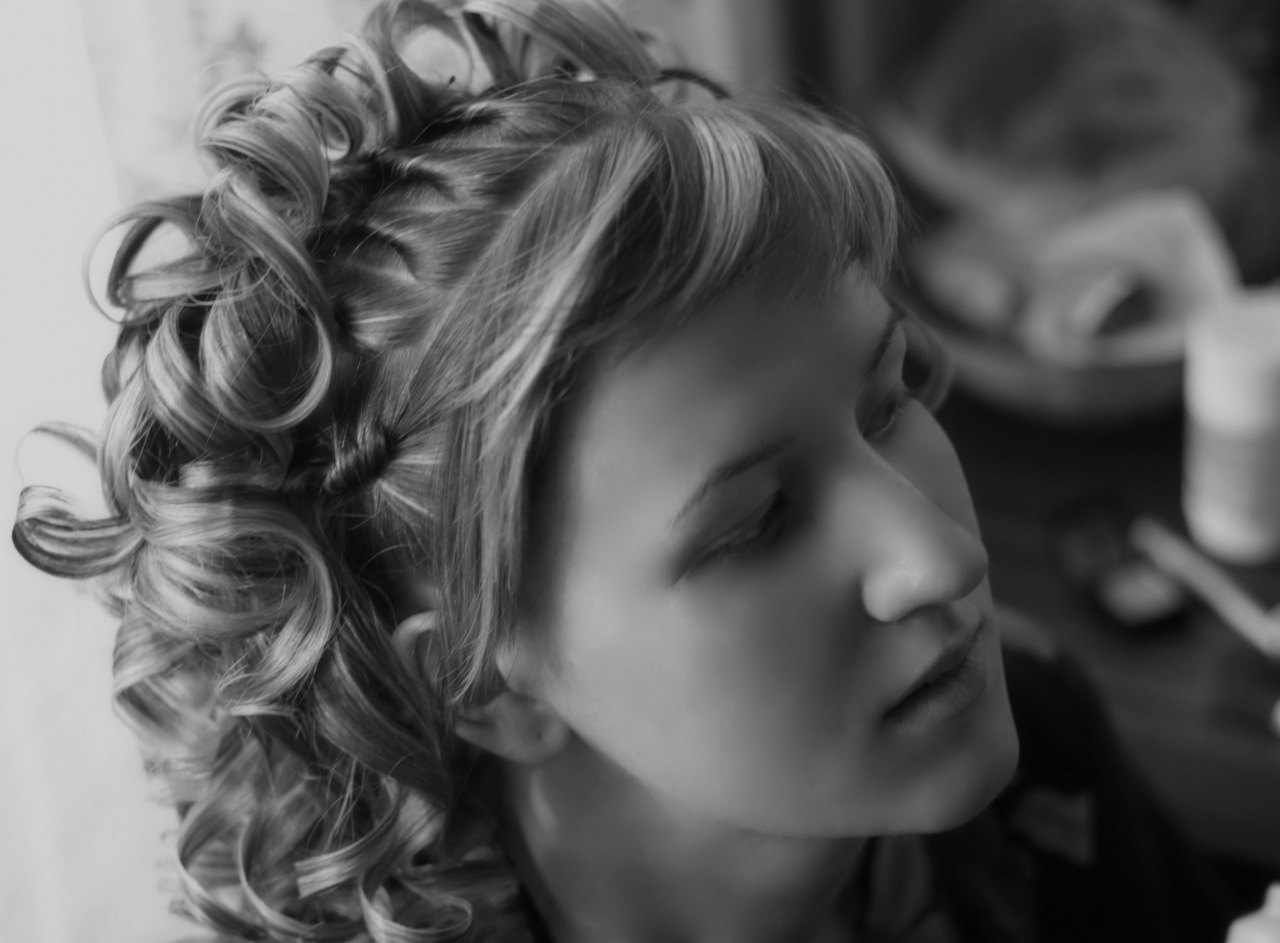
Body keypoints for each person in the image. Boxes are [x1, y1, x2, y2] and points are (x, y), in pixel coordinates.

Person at [10, 1, 1242, 941]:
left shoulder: (1036, 753)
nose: (940, 555)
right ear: (480, 686)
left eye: (886, 403)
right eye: (756, 521)